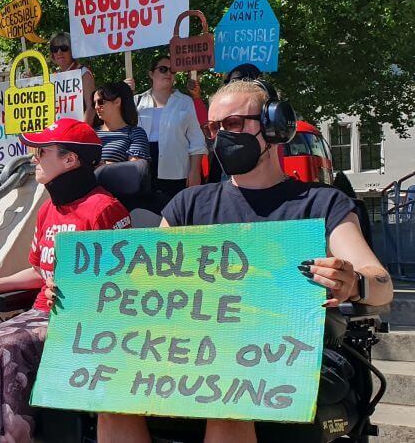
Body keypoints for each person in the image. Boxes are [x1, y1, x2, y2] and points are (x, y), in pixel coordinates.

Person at [97, 80, 394, 443]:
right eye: (214, 128)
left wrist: (355, 282)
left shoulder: (321, 204)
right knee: (110, 394)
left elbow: (380, 283)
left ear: (273, 127)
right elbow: (148, 285)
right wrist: (85, 297)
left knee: (228, 393)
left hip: (288, 354)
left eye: (234, 124)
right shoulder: (188, 205)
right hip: (192, 351)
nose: (222, 136)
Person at [0, 119, 131, 443]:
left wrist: (78, 294)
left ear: (70, 159)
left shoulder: (105, 210)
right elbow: (40, 270)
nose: (33, 157)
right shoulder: (48, 209)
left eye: (42, 151)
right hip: (41, 313)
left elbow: (121, 284)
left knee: (2, 349)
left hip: (79, 321)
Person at [131, 55, 207, 200]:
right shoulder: (136, 101)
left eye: (172, 71)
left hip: (176, 171)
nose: (168, 74)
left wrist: (195, 171)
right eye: (163, 69)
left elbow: (197, 141)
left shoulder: (185, 102)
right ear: (151, 74)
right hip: (143, 170)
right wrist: (126, 94)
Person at [92, 82, 149, 164]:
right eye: (94, 103)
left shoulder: (135, 133)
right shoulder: (90, 133)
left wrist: (102, 164)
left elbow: (134, 168)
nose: (96, 107)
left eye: (101, 102)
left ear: (117, 102)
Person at [48, 33, 96, 126]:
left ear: (73, 50)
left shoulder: (83, 73)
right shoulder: (54, 77)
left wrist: (81, 132)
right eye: (54, 49)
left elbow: (91, 107)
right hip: (58, 131)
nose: (59, 52)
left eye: (64, 48)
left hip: (78, 132)